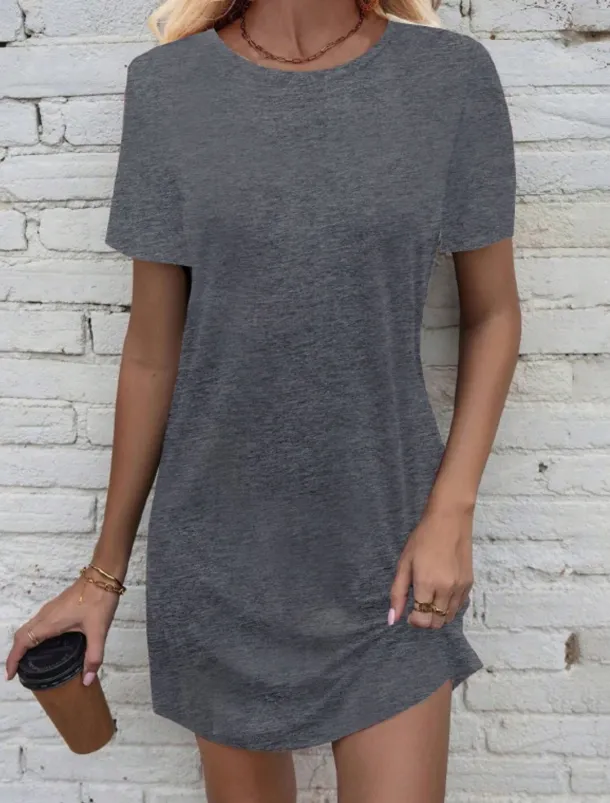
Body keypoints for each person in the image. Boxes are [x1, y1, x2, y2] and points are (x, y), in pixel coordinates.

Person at [5, 0, 521, 800]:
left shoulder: (447, 79)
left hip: (389, 550)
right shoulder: (168, 88)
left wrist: (451, 511)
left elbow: (494, 314)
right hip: (221, 562)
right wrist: (102, 575)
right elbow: (151, 353)